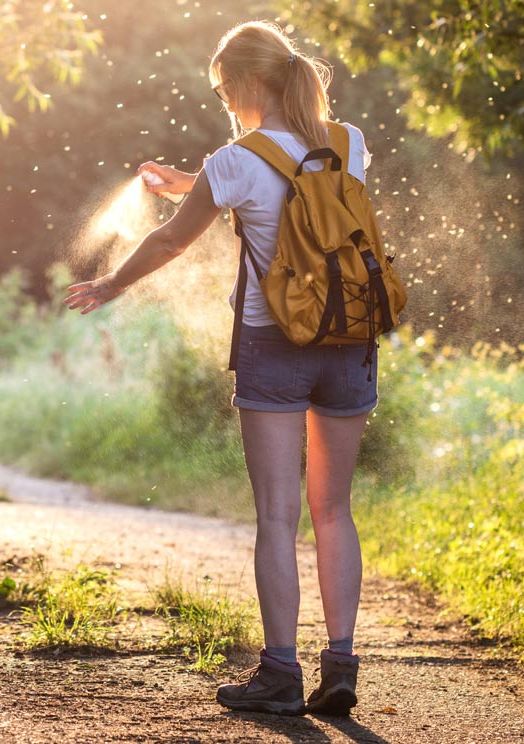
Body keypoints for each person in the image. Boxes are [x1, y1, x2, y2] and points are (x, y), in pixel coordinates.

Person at [64, 20, 373, 717]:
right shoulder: (350, 143)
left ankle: (279, 675)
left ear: (248, 84)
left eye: (223, 90)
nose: (224, 103)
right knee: (333, 510)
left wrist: (110, 284)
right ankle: (342, 664)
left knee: (276, 515)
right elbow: (293, 190)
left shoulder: (234, 160)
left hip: (276, 345)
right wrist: (195, 181)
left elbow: (174, 240)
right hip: (350, 340)